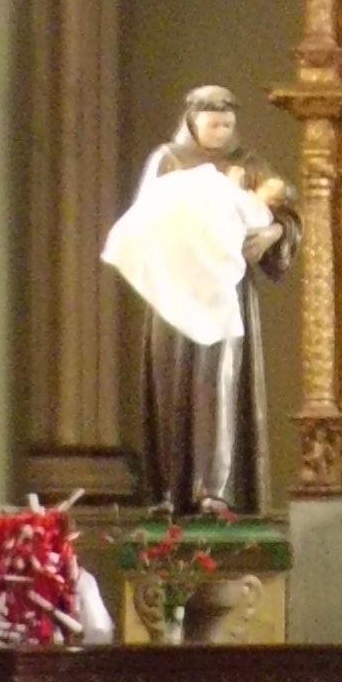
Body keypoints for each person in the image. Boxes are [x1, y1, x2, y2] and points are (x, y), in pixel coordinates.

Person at [101, 82, 298, 515]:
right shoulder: (167, 161)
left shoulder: (247, 164)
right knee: (172, 385)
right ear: (192, 122)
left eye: (228, 124)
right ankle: (170, 491)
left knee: (220, 386)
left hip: (226, 293)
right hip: (173, 290)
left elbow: (285, 210)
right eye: (212, 124)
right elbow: (143, 219)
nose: (220, 133)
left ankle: (217, 490)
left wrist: (273, 232)